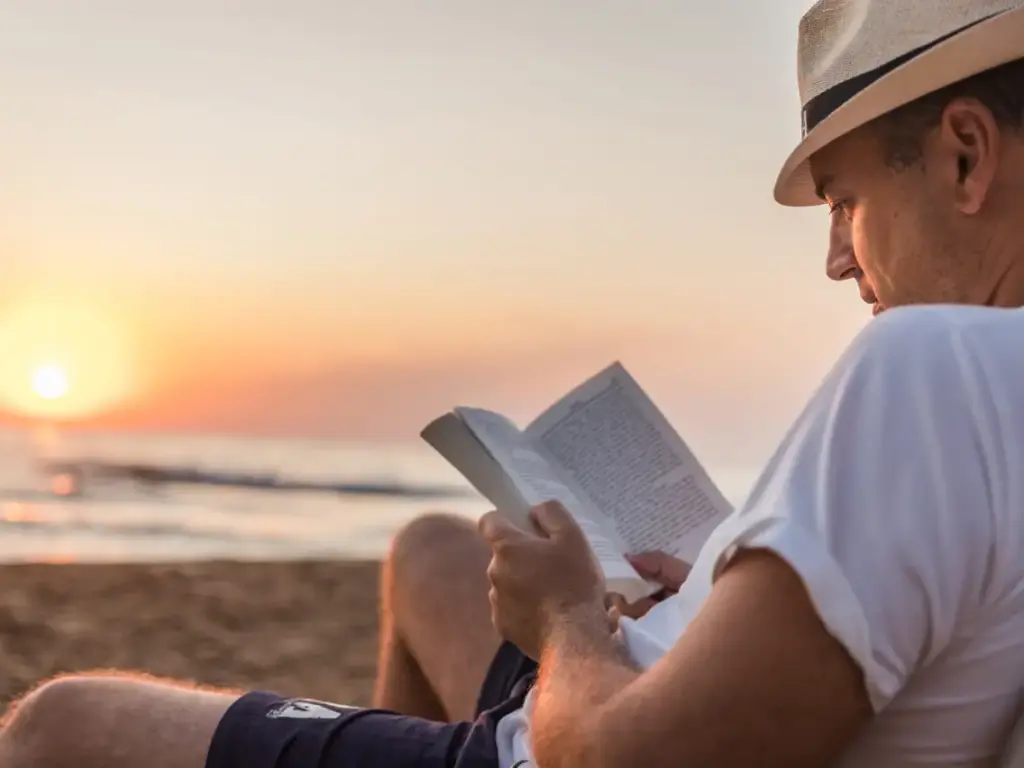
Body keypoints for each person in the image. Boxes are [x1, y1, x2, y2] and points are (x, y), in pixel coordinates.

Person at [5, 1, 1024, 766]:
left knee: (59, 725)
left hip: (563, 735)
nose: (838, 261)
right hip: (642, 679)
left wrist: (568, 620)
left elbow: (629, 760)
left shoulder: (932, 366)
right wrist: (721, 592)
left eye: (844, 203)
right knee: (432, 553)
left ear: (966, 158)